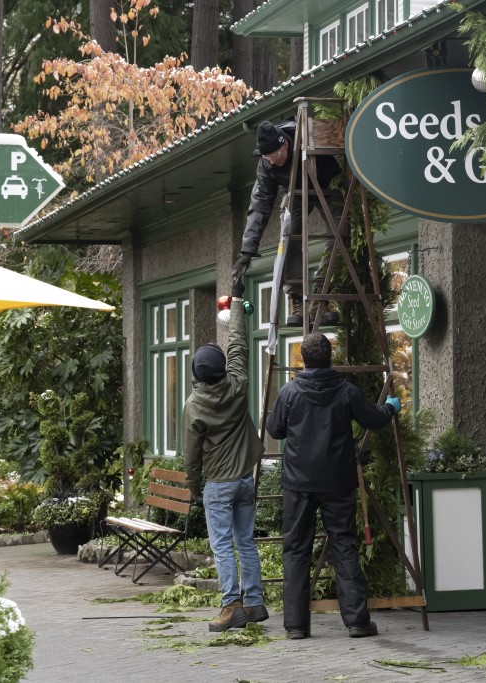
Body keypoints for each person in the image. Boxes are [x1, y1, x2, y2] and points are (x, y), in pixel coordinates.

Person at [265, 333, 402, 639]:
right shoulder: (346, 391)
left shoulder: (289, 392)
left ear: (304, 359)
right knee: (343, 546)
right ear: (330, 357)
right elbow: (374, 419)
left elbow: (274, 429)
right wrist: (391, 407)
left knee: (296, 550)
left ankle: (296, 626)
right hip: (338, 482)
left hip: (298, 484)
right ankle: (356, 621)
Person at [182, 277, 268, 632]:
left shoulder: (194, 406)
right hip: (244, 480)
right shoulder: (237, 384)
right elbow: (237, 345)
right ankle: (256, 602)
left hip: (218, 485)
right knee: (245, 541)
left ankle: (231, 605)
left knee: (221, 546)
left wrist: (192, 486)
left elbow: (191, 456)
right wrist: (236, 306)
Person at [231, 118, 342, 325]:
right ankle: (298, 298)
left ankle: (322, 294)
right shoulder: (266, 164)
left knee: (341, 233)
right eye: (267, 159)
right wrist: (248, 250)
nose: (272, 162)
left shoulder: (305, 136)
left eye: (275, 156)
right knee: (290, 235)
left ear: (285, 144)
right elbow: (259, 204)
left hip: (328, 184)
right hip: (295, 191)